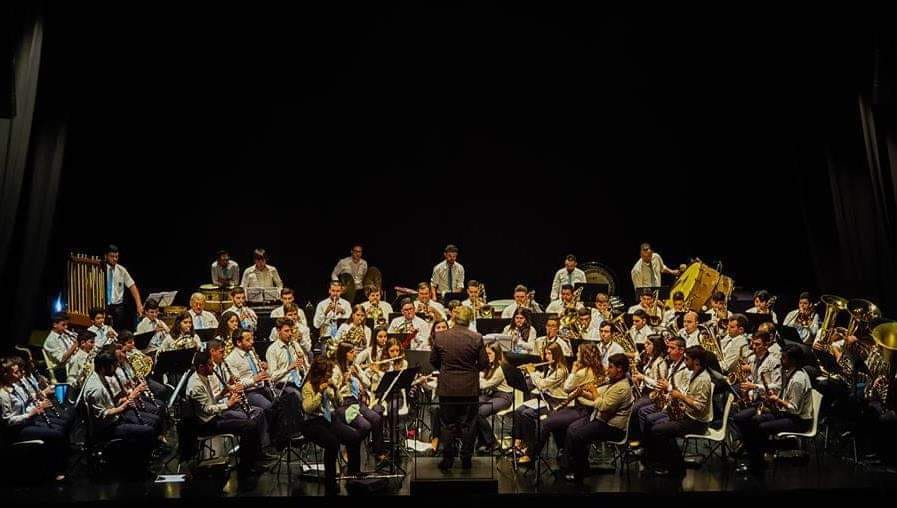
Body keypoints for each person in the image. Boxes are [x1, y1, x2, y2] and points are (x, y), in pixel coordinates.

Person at [517, 343, 603, 465]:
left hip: (583, 409)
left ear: (584, 355)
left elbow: (567, 388)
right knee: (554, 420)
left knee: (547, 423)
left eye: (578, 352)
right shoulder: (597, 368)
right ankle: (561, 451)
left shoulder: (581, 372)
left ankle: (531, 455)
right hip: (586, 407)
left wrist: (573, 371)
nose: (576, 354)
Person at [735, 344, 814, 473]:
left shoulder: (798, 380)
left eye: (784, 358)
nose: (781, 361)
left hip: (799, 420)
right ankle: (757, 458)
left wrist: (777, 400)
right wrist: (771, 399)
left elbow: (794, 409)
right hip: (787, 414)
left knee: (760, 427)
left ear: (793, 360)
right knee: (753, 421)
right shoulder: (790, 373)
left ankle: (775, 451)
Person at [187, 351, 266, 476]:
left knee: (252, 422)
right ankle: (245, 467)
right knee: (248, 426)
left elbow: (210, 401)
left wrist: (222, 394)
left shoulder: (202, 377)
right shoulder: (196, 385)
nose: (213, 368)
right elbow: (207, 410)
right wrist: (227, 404)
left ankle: (253, 460)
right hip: (207, 424)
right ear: (201, 367)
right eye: (210, 365)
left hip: (213, 417)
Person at [429, 306, 488, 470]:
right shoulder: (476, 338)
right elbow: (484, 363)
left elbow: (433, 360)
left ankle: (447, 460)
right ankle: (466, 459)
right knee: (468, 424)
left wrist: (446, 369)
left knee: (448, 425)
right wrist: (470, 369)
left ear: (454, 319)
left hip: (447, 388)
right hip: (469, 388)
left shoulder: (441, 337)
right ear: (469, 320)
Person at [642, 346, 713, 476]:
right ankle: (659, 461)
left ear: (696, 361)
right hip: (688, 416)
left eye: (687, 359)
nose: (685, 362)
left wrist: (679, 396)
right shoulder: (695, 374)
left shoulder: (703, 379)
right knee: (653, 423)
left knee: (658, 430)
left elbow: (700, 407)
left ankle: (676, 468)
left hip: (696, 423)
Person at [564, 353, 634, 484]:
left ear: (619, 369)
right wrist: (582, 392)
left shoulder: (622, 387)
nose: (607, 370)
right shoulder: (614, 382)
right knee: (572, 428)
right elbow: (601, 397)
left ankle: (580, 472)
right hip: (603, 420)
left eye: (611, 367)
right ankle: (572, 466)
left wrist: (593, 391)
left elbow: (603, 406)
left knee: (579, 435)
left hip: (614, 428)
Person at [1, 357, 70, 481]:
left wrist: (38, 402)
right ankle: (52, 471)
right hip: (16, 430)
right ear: (5, 375)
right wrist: (30, 414)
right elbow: (8, 421)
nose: (19, 375)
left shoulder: (14, 387)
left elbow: (26, 401)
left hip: (27, 422)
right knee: (56, 434)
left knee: (61, 426)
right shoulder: (3, 395)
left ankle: (61, 464)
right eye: (16, 373)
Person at [474, 342, 513, 452]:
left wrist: (476, 376)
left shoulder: (501, 368)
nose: (487, 356)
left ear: (497, 354)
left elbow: (485, 384)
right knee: (472, 406)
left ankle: (492, 442)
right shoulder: (489, 365)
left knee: (479, 413)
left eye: (490, 354)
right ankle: (482, 441)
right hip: (493, 394)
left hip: (504, 396)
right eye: (485, 354)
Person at [104, 245, 144, 330]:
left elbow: (132, 287)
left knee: (118, 331)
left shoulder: (121, 270)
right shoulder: (100, 269)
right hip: (103, 305)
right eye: (112, 256)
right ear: (106, 256)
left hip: (118, 307)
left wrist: (139, 305)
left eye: (116, 256)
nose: (115, 259)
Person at [43, 313, 79, 383]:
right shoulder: (51, 340)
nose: (66, 327)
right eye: (63, 325)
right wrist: (74, 346)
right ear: (55, 325)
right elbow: (62, 359)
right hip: (62, 371)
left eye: (67, 325)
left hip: (71, 365)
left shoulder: (63, 335)